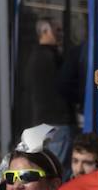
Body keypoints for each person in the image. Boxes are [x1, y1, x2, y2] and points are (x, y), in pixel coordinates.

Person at [18, 19, 76, 166]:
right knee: (57, 169)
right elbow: (64, 86)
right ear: (44, 32)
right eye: (57, 30)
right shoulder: (54, 57)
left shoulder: (31, 57)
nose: (60, 34)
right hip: (58, 122)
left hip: (38, 122)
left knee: (42, 169)